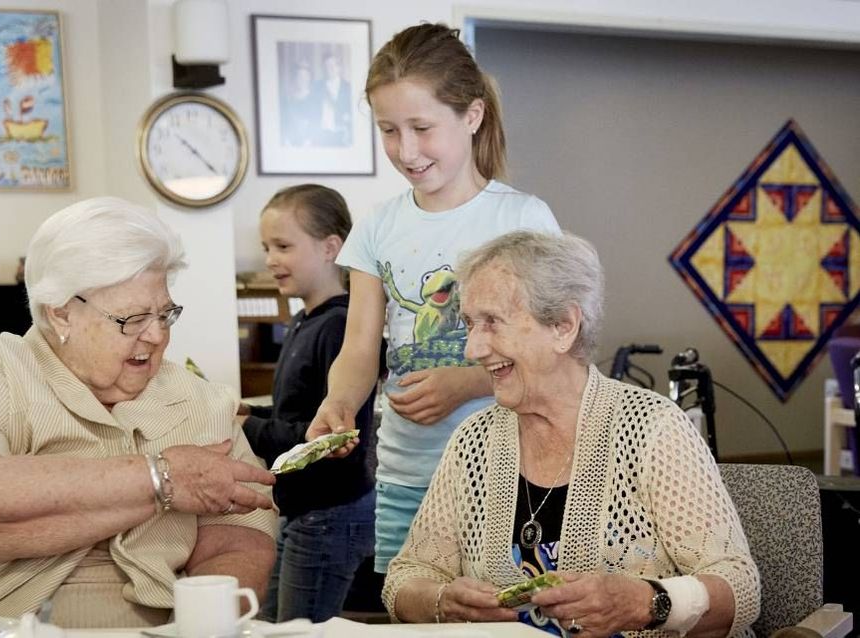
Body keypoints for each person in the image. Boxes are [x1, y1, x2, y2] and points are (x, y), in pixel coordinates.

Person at [0, 197, 278, 629]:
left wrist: (198, 625)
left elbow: (242, 534)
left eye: (166, 314)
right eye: (132, 319)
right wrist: (161, 480)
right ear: (62, 313)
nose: (157, 336)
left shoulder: (200, 401)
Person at [383, 231, 760, 637]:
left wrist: (644, 601)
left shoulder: (653, 428)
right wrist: (441, 602)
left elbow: (740, 587)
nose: (472, 349)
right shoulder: (474, 440)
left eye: (491, 322)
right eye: (471, 324)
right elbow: (407, 575)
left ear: (563, 326)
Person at [307, 22, 561, 576]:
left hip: (510, 467)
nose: (407, 150)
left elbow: (553, 354)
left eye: (422, 128)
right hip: (407, 473)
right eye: (389, 131)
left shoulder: (522, 218)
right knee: (414, 608)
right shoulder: (376, 227)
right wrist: (340, 404)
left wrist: (468, 381)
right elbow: (358, 350)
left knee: (503, 613)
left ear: (472, 116)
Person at [238, 184, 377, 622]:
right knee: (273, 624)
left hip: (328, 513)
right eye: (266, 248)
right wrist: (246, 412)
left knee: (299, 630)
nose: (270, 259)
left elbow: (316, 439)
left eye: (282, 246)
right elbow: (291, 416)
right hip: (302, 511)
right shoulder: (302, 322)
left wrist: (245, 424)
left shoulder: (339, 327)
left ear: (331, 247)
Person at [313, 53, 353, 147]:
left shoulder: (348, 88)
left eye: (332, 66)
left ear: (339, 68)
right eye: (326, 66)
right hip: (321, 134)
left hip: (341, 133)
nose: (329, 69)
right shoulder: (316, 87)